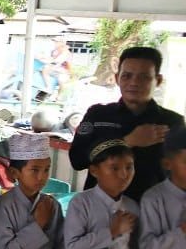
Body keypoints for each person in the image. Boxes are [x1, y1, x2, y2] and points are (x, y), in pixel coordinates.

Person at [70, 47, 184, 202]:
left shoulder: (172, 122)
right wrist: (126, 141)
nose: (134, 82)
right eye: (127, 76)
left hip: (152, 210)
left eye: (144, 77)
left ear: (158, 80)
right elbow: (77, 160)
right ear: (117, 78)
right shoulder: (98, 114)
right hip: (99, 209)